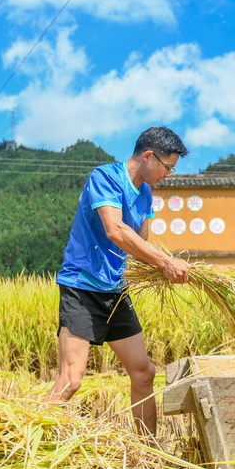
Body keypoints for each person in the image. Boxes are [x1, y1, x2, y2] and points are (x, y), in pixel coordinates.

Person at [49, 127, 191, 435]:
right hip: (82, 287)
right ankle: (26, 442)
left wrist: (168, 267)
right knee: (71, 380)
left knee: (143, 373)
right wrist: (165, 262)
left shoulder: (145, 193)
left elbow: (139, 244)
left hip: (115, 290)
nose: (168, 175)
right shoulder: (106, 177)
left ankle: (148, 452)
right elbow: (115, 230)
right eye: (167, 167)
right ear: (148, 156)